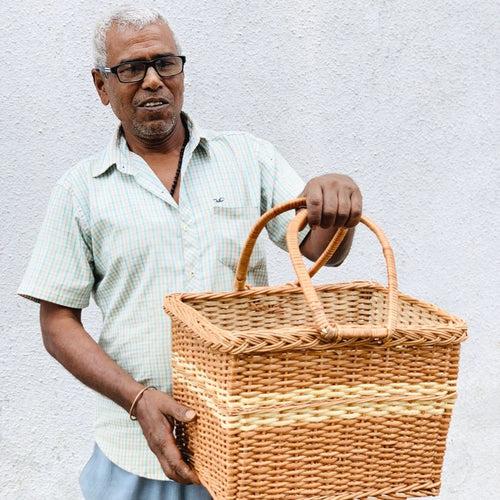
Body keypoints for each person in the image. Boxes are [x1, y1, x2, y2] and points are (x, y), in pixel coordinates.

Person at [17, 5, 363, 500]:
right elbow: (57, 324)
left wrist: (338, 203)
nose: (153, 81)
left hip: (250, 442)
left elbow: (320, 252)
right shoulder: (81, 190)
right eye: (132, 69)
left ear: (182, 71)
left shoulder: (250, 158)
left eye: (166, 63)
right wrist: (137, 401)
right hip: (132, 455)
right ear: (101, 86)